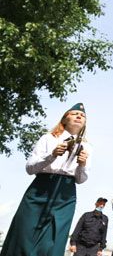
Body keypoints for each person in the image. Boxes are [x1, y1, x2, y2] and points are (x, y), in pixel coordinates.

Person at [0, 103, 91, 256]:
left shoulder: (87, 147)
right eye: (75, 113)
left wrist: (82, 165)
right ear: (65, 118)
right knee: (25, 233)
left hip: (66, 193)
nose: (79, 116)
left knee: (54, 238)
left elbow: (81, 179)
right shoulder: (48, 138)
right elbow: (30, 168)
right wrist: (52, 156)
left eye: (82, 116)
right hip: (41, 187)